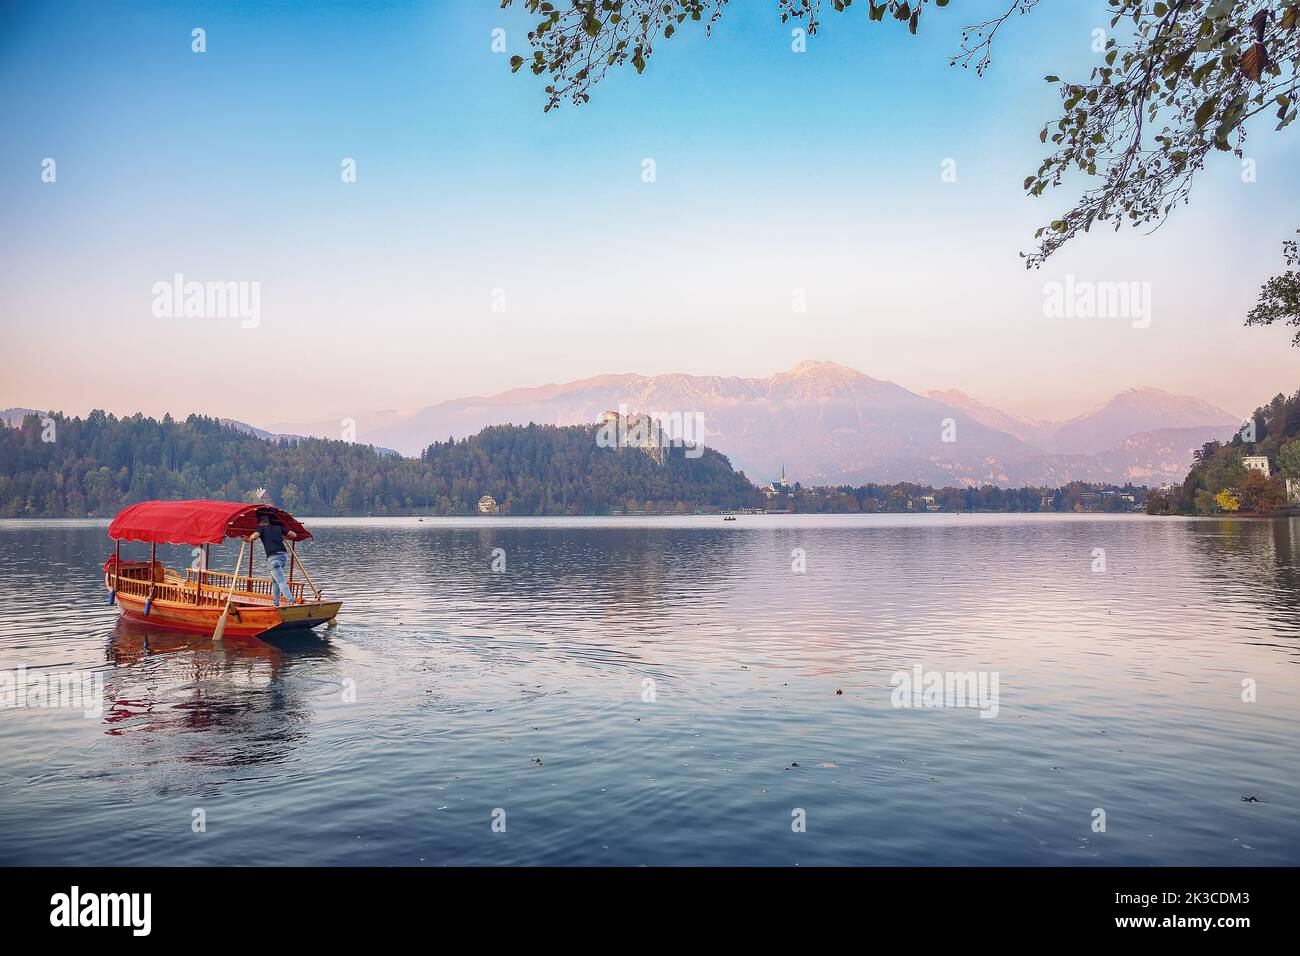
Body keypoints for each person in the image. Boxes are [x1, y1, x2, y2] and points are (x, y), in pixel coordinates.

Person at [247, 510, 299, 606]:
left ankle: (291, 601)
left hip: (273, 557)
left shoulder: (261, 529)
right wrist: (285, 537)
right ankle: (276, 603)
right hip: (283, 555)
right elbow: (294, 535)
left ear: (260, 522)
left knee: (280, 581)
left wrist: (247, 539)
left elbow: (254, 536)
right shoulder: (278, 527)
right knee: (275, 581)